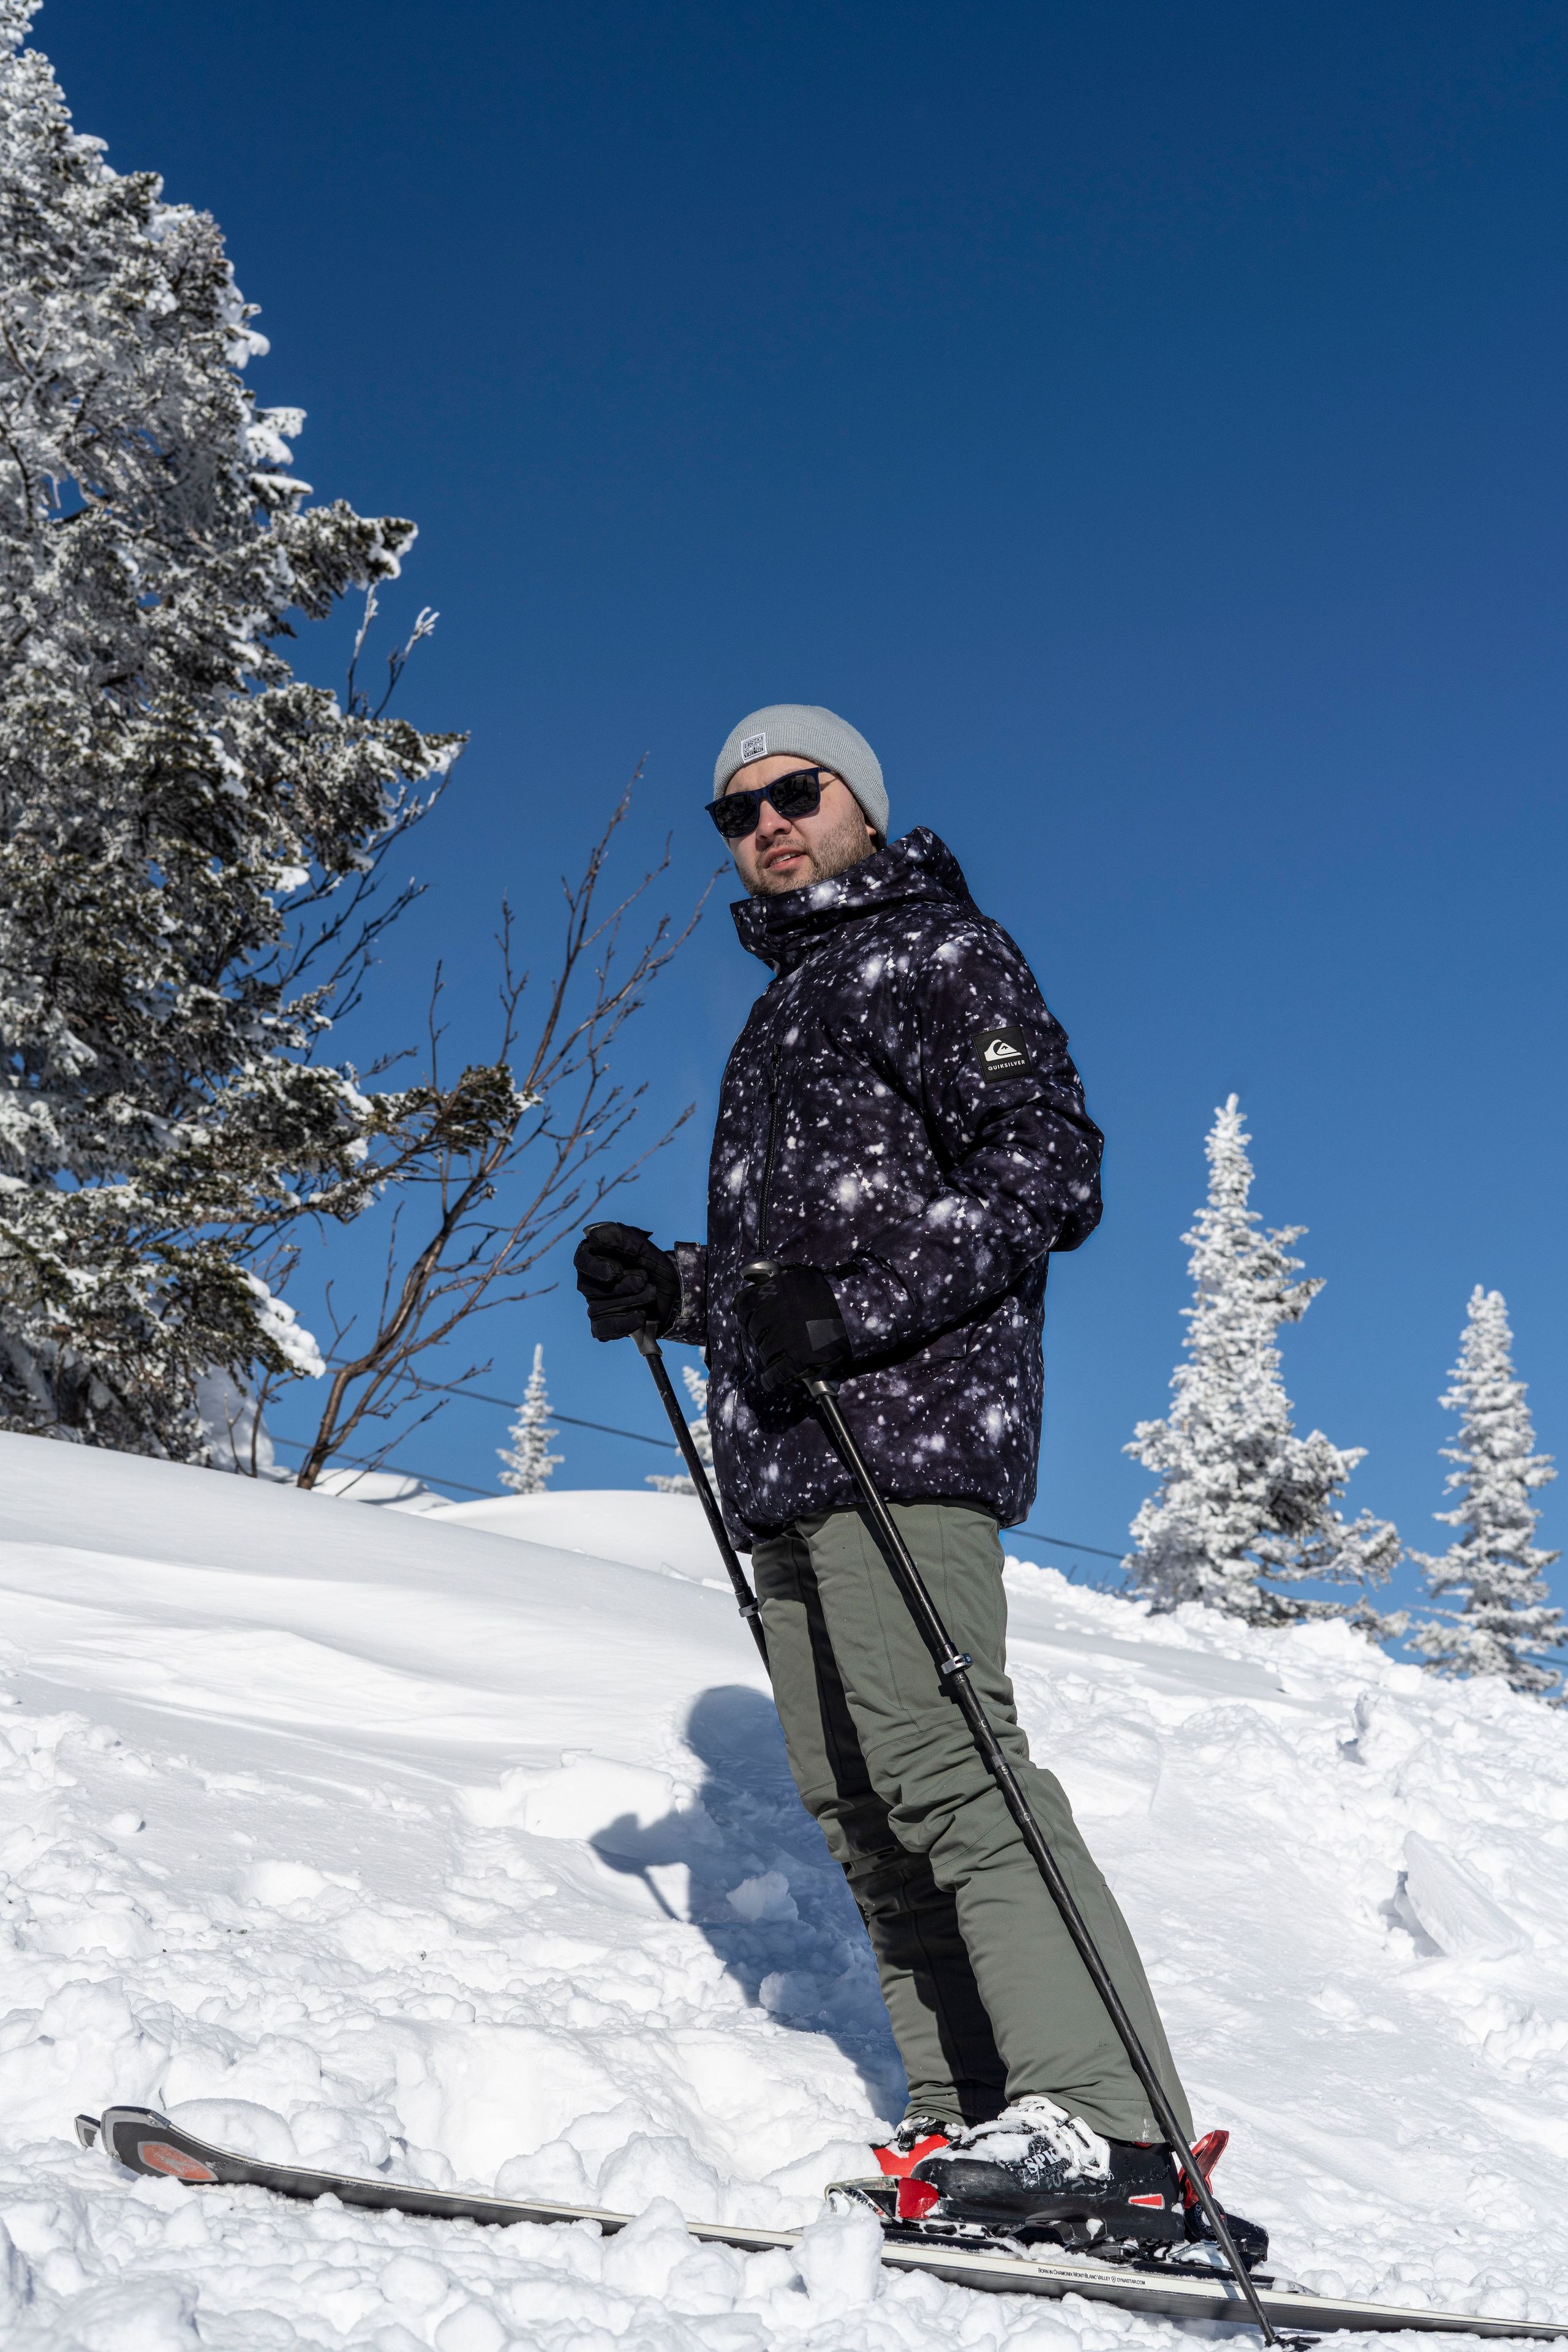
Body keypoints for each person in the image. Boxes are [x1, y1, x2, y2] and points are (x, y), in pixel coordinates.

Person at [573, 704, 1234, 2244]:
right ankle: (969, 2123)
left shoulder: (943, 954)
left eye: (795, 794)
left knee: (944, 1767)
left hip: (905, 1432)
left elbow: (1046, 1168)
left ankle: (1110, 2125)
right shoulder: (788, 1005)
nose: (767, 826)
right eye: (736, 813)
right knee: (856, 1803)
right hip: (788, 1449)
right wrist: (673, 1289)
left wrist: (850, 1310)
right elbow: (792, 1264)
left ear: (860, 803)